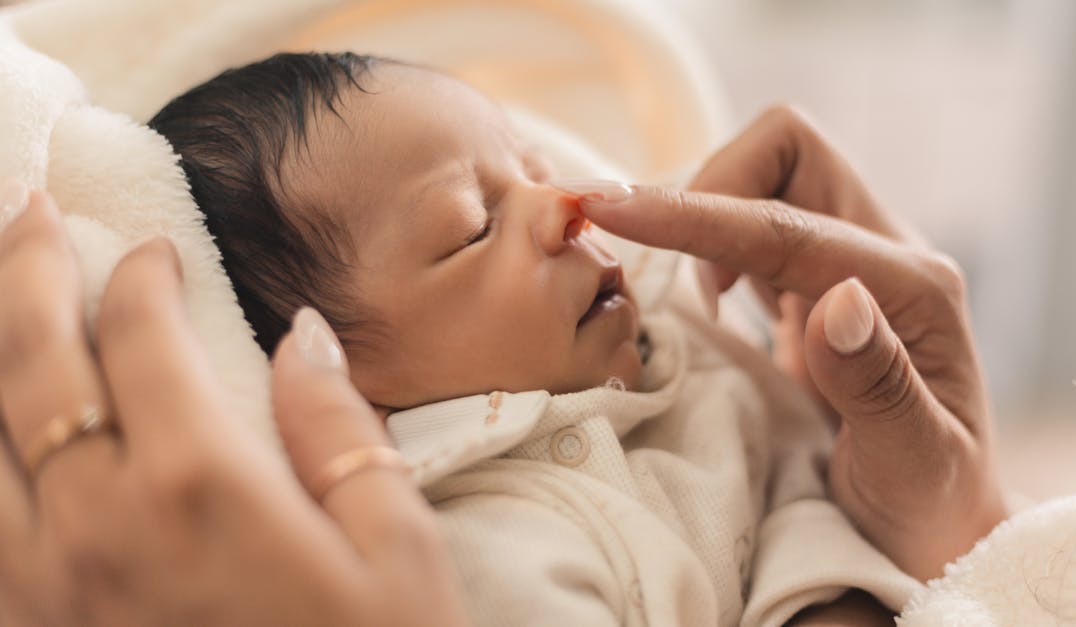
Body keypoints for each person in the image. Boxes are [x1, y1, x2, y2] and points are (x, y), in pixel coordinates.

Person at [0, 74, 1008, 625]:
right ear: (344, 374)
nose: (560, 204)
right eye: (471, 227)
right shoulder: (451, 525)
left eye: (533, 168)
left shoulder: (702, 368)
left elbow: (806, 494)